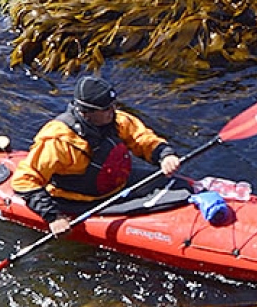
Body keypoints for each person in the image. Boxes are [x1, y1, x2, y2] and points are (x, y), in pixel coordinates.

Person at [14, 73, 182, 233]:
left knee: (182, 187)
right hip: (78, 200)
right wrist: (53, 217)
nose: (113, 110)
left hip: (117, 184)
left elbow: (142, 139)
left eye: (113, 105)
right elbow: (24, 181)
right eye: (106, 108)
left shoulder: (117, 120)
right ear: (86, 112)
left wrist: (165, 155)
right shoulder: (58, 141)